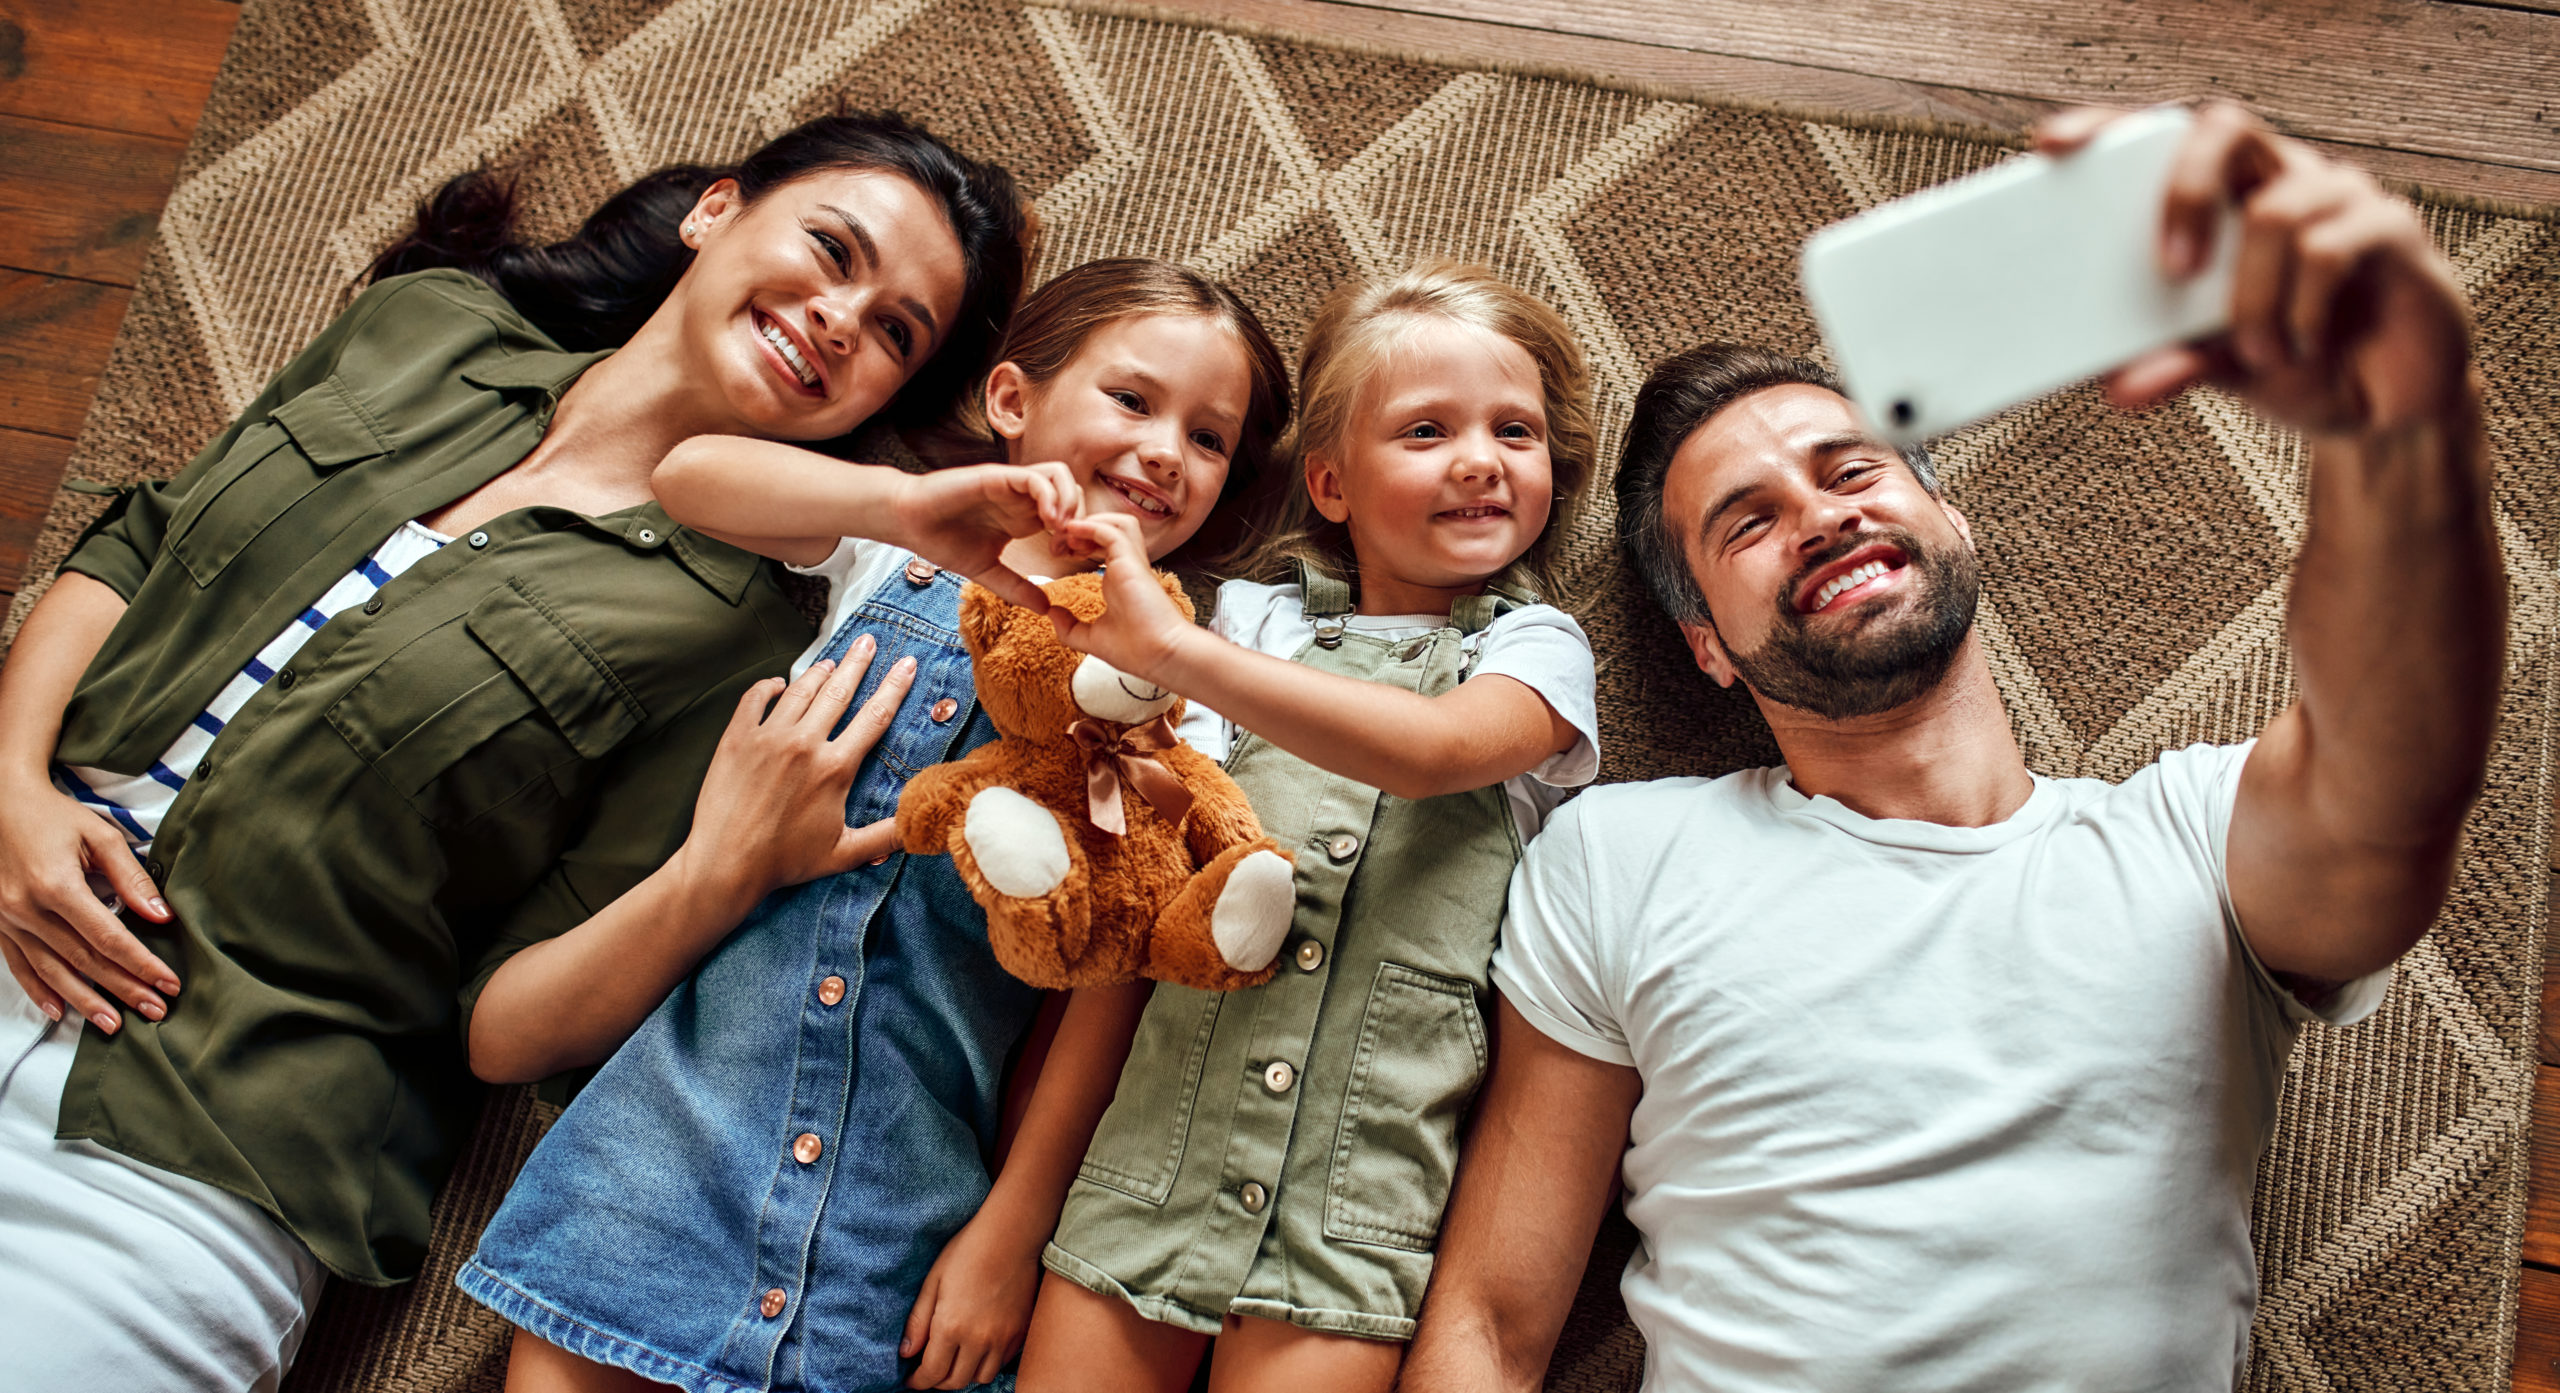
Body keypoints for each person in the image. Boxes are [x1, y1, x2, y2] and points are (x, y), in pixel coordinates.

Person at [1399, 103, 2502, 1391]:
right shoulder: (1620, 856)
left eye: (1851, 470)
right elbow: (1486, 1321)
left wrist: (2405, 429)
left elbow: (2400, 758)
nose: (1816, 515)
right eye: (1746, 522)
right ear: (1706, 641)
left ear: (1949, 516)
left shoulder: (2196, 837)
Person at [0, 113, 1029, 1391]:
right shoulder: (427, 331)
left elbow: (501, 1025)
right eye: (831, 251)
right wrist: (11, 792)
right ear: (716, 212)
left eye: (893, 333)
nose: (840, 319)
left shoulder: (749, 632)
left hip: (190, 1151)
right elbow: (140, 546)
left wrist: (720, 873)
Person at [458, 256, 1296, 1393]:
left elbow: (1113, 978)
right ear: (1011, 401)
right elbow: (689, 474)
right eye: (1134, 400)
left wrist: (1015, 1227)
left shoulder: (1185, 673)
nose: (1164, 451)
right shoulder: (893, 550)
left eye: (1209, 440)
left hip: (904, 1200)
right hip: (657, 1157)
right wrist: (898, 502)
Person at [1015, 262, 1605, 1393]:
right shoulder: (1248, 620)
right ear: (1329, 485)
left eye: (1514, 432)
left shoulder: (1533, 648)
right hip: (1146, 1164)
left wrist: (1179, 658)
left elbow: (1431, 753)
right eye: (1427, 430)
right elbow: (1151, 874)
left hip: (1355, 1207)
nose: (1480, 459)